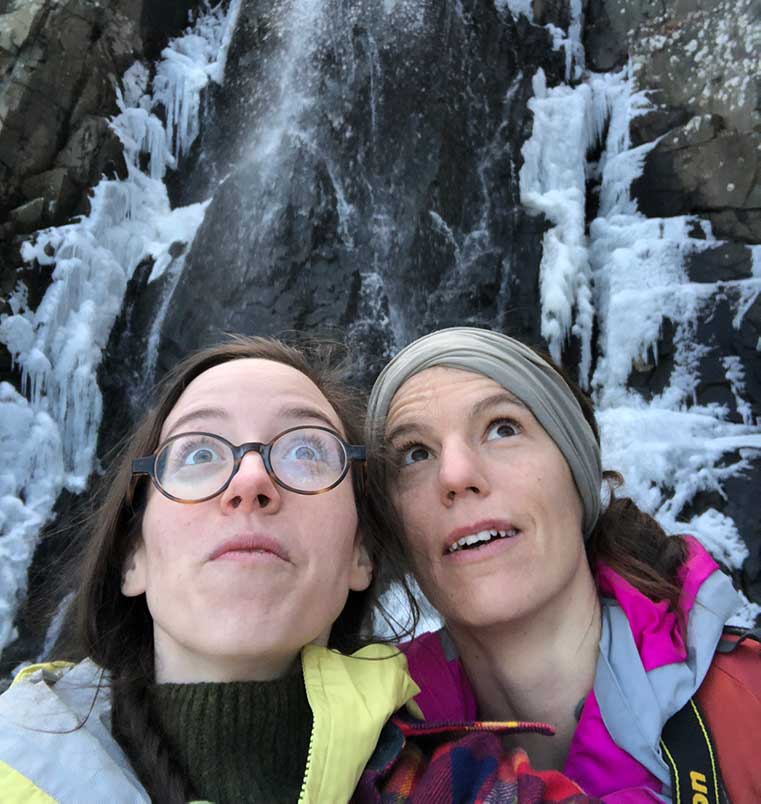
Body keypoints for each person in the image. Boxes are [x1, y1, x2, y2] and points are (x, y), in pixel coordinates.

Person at [0, 335, 594, 804]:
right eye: (200, 453)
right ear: (133, 557)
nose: (251, 482)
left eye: (306, 451)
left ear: (360, 555)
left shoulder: (459, 785)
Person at [365, 326, 761, 803]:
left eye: (502, 428)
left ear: (579, 479)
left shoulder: (749, 702)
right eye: (415, 454)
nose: (455, 474)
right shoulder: (364, 744)